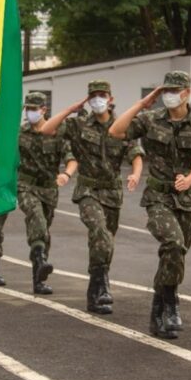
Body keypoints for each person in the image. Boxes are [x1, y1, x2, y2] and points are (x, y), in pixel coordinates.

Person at [109, 71, 191, 338]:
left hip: (186, 197)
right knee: (173, 243)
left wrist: (190, 178)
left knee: (176, 255)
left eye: (175, 90)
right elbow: (116, 130)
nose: (169, 95)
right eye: (166, 90)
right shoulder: (151, 119)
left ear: (187, 92)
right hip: (157, 198)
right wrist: (143, 103)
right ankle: (170, 303)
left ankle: (159, 307)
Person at [41, 80, 144, 314]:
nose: (98, 99)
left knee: (105, 244)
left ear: (110, 98)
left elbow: (136, 154)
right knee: (99, 232)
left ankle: (95, 286)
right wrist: (70, 109)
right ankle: (103, 286)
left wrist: (136, 175)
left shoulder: (121, 126)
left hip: (112, 192)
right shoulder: (78, 125)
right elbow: (48, 130)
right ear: (88, 99)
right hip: (88, 191)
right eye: (93, 96)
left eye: (102, 95)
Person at [18, 92, 78, 294]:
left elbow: (71, 158)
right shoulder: (20, 132)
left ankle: (39, 278)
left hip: (49, 189)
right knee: (36, 218)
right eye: (27, 109)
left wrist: (66, 175)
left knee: (43, 233)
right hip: (25, 185)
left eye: (34, 109)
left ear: (44, 110)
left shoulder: (58, 132)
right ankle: (41, 260)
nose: (30, 112)